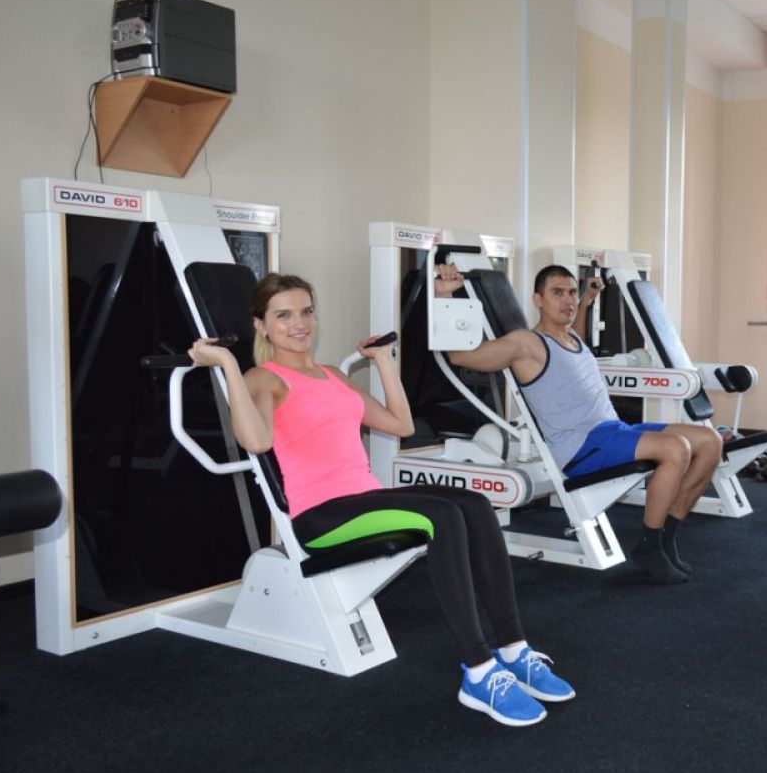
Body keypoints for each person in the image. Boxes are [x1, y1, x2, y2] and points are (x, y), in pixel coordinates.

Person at [187, 272, 573, 728]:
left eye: (306, 312)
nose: (299, 324)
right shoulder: (263, 379)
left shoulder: (332, 375)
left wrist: (385, 362)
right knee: (443, 517)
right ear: (262, 326)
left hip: (364, 497)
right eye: (283, 316)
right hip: (321, 515)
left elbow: (400, 425)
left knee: (475, 504)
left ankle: (513, 648)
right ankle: (478, 670)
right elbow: (255, 441)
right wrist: (227, 365)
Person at [440, 263, 723, 585]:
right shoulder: (526, 344)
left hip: (612, 431)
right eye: (558, 293)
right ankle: (650, 544)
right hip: (581, 446)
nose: (568, 300)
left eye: (571, 293)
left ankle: (666, 538)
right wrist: (444, 297)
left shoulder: (572, 337)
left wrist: (587, 300)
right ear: (538, 300)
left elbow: (576, 337)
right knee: (676, 448)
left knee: (709, 442)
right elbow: (460, 357)